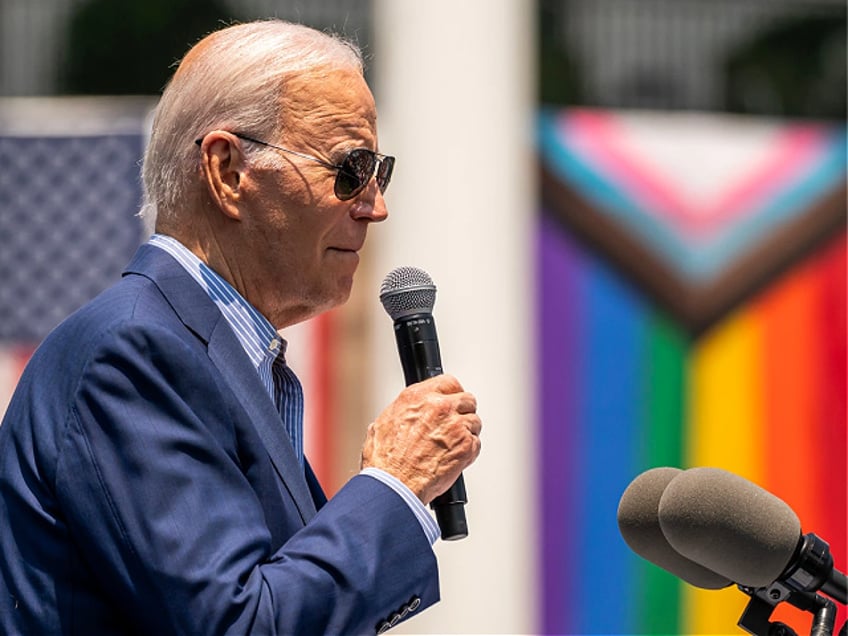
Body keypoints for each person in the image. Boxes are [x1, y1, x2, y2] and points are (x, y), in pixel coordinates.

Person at [0, 20, 482, 635]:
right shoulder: (135, 352)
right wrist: (395, 484)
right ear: (228, 171)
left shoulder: (216, 355)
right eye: (349, 168)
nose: (375, 204)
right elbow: (240, 625)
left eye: (378, 171)